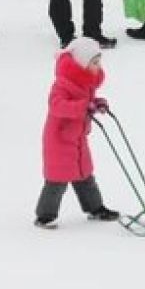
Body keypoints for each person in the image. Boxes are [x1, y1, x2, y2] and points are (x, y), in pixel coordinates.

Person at [35, 37, 119, 227]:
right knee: (57, 180)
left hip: (78, 138)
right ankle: (45, 215)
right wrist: (84, 106)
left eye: (99, 62)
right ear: (81, 63)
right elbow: (57, 106)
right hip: (59, 140)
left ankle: (95, 208)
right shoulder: (63, 84)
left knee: (85, 176)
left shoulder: (85, 84)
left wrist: (97, 104)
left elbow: (87, 103)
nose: (98, 67)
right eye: (94, 63)